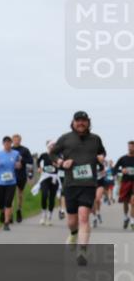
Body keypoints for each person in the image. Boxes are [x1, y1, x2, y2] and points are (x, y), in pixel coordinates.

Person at [53, 111, 107, 266]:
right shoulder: (65, 138)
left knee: (84, 217)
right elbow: (53, 154)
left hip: (88, 184)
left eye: (84, 121)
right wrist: (62, 163)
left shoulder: (95, 139)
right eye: (78, 121)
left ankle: (82, 252)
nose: (81, 123)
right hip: (71, 184)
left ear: (88, 122)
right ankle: (73, 234)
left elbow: (102, 151)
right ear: (73, 122)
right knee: (72, 220)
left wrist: (101, 157)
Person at [0, 137, 22, 230]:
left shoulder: (15, 153)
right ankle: (2, 212)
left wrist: (18, 165)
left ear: (11, 144)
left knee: (8, 202)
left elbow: (19, 164)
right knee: (0, 203)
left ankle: (6, 223)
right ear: (3, 144)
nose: (8, 144)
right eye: (6, 143)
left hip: (11, 182)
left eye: (9, 143)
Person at [35, 141, 61, 226]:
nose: (52, 147)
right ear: (48, 147)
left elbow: (62, 164)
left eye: (53, 146)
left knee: (52, 198)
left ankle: (49, 217)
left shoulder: (58, 155)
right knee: (44, 195)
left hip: (54, 178)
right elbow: (38, 161)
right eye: (50, 146)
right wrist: (39, 168)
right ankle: (43, 215)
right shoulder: (44, 155)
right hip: (45, 177)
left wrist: (58, 165)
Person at [11, 134, 34, 224]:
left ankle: (19, 210)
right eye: (15, 140)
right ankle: (10, 214)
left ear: (20, 140)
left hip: (21, 175)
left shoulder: (25, 150)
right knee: (11, 194)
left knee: (19, 195)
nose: (16, 141)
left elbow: (31, 161)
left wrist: (22, 160)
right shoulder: (10, 150)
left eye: (18, 140)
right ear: (12, 140)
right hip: (12, 175)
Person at [115, 141, 134, 230]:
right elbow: (114, 169)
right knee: (126, 202)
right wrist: (121, 171)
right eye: (129, 146)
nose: (130, 148)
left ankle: (132, 221)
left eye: (132, 147)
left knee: (133, 202)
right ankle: (126, 217)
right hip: (125, 182)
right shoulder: (123, 159)